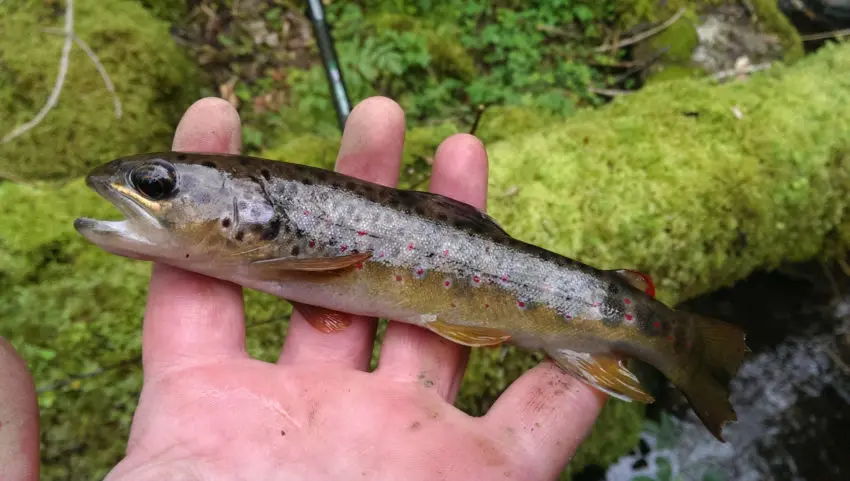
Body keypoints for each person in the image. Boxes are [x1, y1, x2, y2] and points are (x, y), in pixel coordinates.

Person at [0, 96, 605, 481]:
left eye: (156, 185)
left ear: (250, 215)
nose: (140, 192)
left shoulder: (268, 250)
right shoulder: (261, 251)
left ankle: (668, 340)